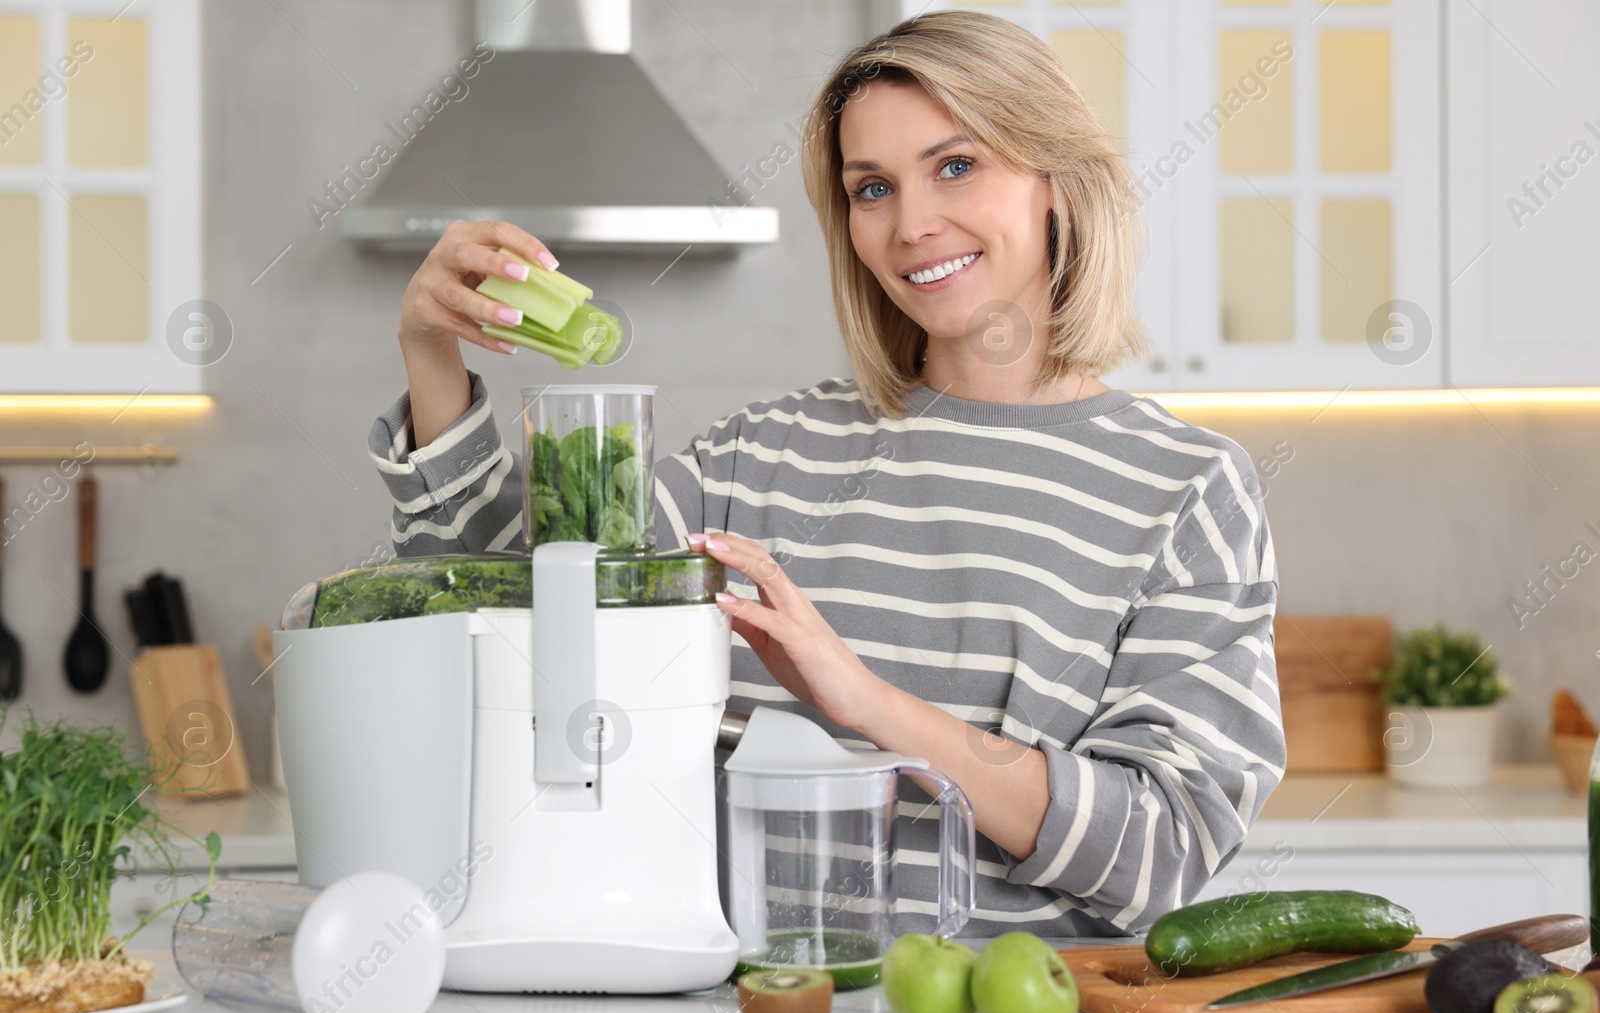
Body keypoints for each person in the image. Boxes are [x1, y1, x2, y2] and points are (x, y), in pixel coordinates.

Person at [367, 11, 1284, 937]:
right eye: (872, 187)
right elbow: (501, 608)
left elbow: (1160, 848)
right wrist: (430, 352)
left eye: (956, 165)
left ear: (1058, 180)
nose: (914, 224)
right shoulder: (757, 457)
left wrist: (865, 701)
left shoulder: (1188, 490)